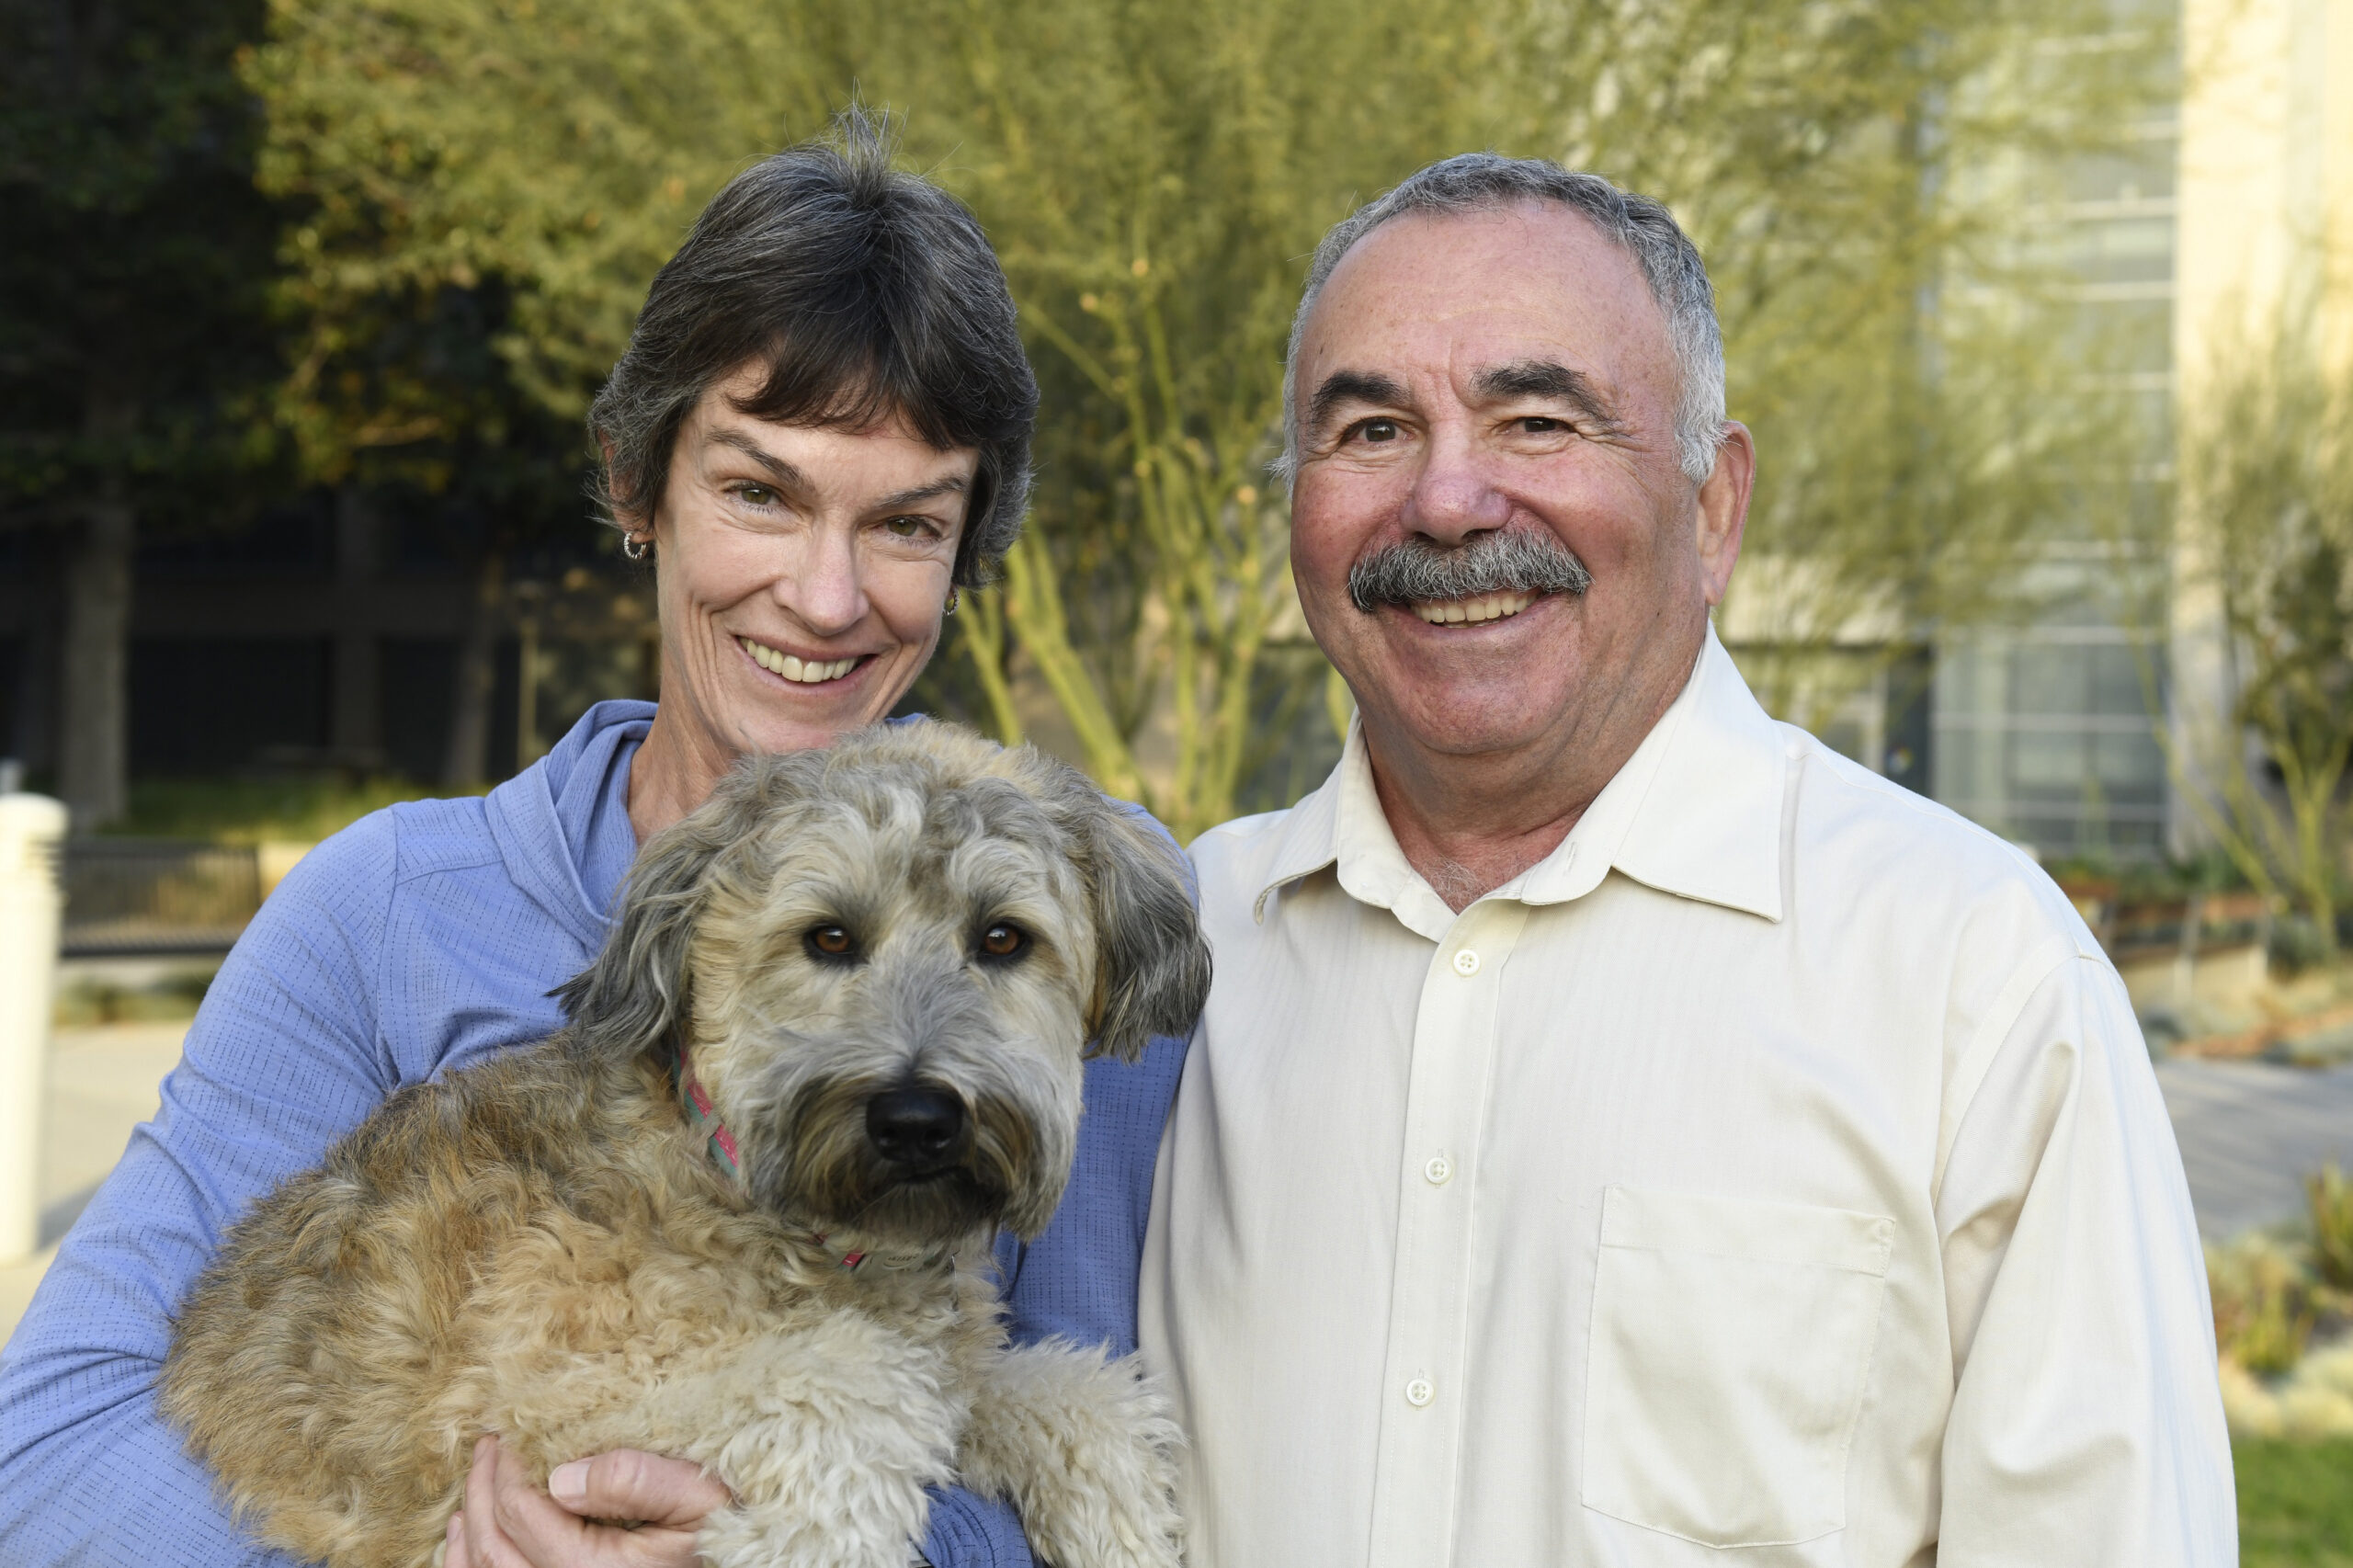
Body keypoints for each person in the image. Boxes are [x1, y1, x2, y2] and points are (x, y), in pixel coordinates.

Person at [0, 117, 1181, 1568]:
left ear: (968, 547)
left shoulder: (1086, 910)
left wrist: (893, 1545)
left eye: (906, 525)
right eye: (759, 491)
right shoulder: (387, 912)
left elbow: (1133, 1439)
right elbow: (53, 1445)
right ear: (640, 487)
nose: (825, 596)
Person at [1140, 153, 2234, 1565]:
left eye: (1538, 421)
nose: (1450, 499)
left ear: (1714, 509)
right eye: (1368, 430)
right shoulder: (1175, 955)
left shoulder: (1970, 976)